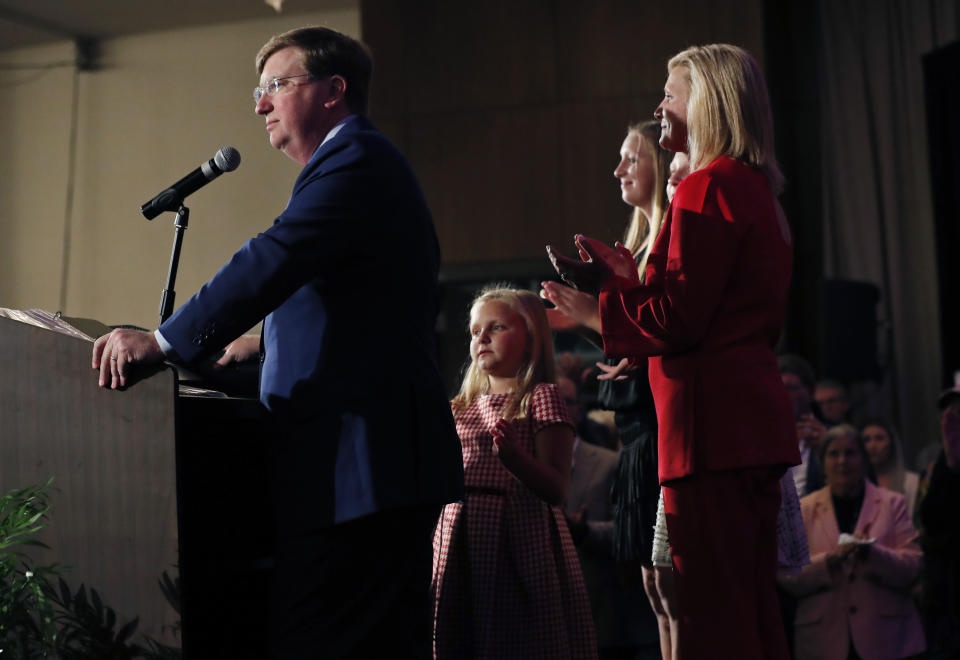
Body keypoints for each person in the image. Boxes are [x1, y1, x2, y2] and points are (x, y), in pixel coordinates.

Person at [90, 26, 464, 658]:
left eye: (274, 86)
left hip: (363, 472)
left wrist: (163, 341)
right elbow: (352, 297)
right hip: (356, 475)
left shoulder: (358, 160)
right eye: (257, 91)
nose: (259, 104)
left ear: (332, 91)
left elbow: (275, 257)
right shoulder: (351, 165)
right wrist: (260, 344)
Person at [547, 44, 800, 658]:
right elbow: (715, 312)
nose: (658, 104)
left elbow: (681, 318)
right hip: (740, 429)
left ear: (708, 102)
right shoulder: (750, 187)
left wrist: (593, 313)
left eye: (671, 91)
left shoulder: (707, 187)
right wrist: (626, 287)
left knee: (713, 621)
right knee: (750, 615)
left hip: (709, 433)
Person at [541, 121, 677, 660]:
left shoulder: (667, 245)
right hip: (638, 430)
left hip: (663, 431)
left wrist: (593, 317)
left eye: (631, 158)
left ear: (660, 167)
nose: (618, 169)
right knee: (656, 587)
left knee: (672, 589)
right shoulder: (640, 246)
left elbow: (667, 330)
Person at [432, 287, 597, 659]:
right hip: (461, 532)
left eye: (497, 327)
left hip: (516, 536)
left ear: (529, 339)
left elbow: (557, 488)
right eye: (475, 331)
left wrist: (516, 460)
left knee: (515, 638)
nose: (482, 338)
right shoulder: (460, 406)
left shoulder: (539, 397)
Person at [779, 424, 925, 660]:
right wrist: (830, 559)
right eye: (833, 454)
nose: (842, 461)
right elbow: (787, 575)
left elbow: (912, 567)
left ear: (864, 460)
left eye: (850, 453)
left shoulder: (892, 503)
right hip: (824, 640)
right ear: (823, 462)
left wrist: (873, 554)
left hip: (886, 638)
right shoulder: (804, 509)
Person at [561, 376, 659, 660]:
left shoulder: (609, 462)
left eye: (562, 403)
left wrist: (584, 530)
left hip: (604, 615)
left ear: (578, 409)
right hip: (543, 612)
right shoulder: (520, 462)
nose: (550, 411)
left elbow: (631, 532)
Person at [918, 384, 960, 655]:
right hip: (949, 603)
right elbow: (932, 521)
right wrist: (952, 463)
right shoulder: (941, 463)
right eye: (948, 412)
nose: (950, 417)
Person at [779, 353, 827, 497]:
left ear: (811, 392)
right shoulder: (761, 438)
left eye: (789, 388)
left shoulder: (831, 436)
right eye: (776, 388)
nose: (781, 394)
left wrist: (826, 448)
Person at [861, 418, 921, 517]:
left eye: (879, 438)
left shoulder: (911, 482)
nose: (872, 445)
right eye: (866, 440)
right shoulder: (855, 483)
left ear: (891, 443)